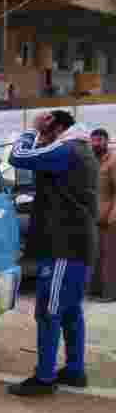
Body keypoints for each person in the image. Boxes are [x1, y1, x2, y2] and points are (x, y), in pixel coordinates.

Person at [7, 109, 99, 395]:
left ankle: (44, 378)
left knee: (48, 312)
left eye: (46, 135)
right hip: (78, 245)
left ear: (56, 128)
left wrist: (32, 130)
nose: (42, 141)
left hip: (64, 246)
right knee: (70, 312)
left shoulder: (66, 149)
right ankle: (74, 371)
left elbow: (18, 157)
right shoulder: (82, 150)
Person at [89, 128, 116, 303]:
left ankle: (110, 293)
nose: (96, 144)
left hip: (110, 219)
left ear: (107, 141)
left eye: (99, 140)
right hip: (94, 218)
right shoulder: (92, 161)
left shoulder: (113, 161)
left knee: (110, 258)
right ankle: (96, 291)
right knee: (96, 256)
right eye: (93, 140)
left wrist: (112, 216)